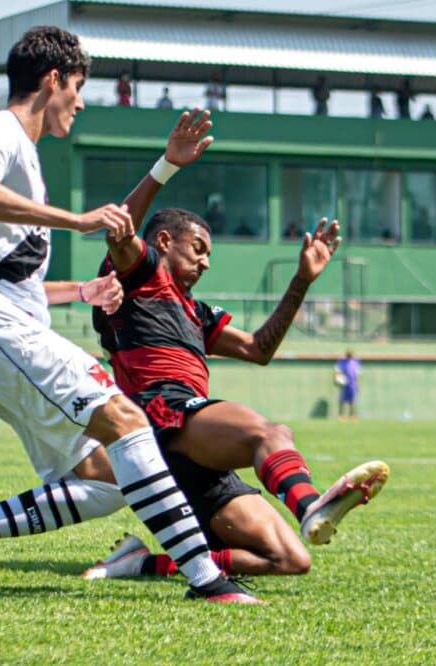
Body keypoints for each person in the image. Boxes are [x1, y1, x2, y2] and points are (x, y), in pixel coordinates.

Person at [0, 26, 258, 604]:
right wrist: (71, 220)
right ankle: (206, 579)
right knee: (131, 422)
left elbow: (12, 273)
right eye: (77, 86)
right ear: (53, 80)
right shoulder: (1, 131)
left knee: (106, 476)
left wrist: (84, 291)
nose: (80, 100)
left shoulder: (26, 154)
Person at [85, 172, 388, 577]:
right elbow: (119, 233)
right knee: (270, 433)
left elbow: (258, 349)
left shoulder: (195, 311)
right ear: (162, 242)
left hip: (193, 442)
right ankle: (310, 504)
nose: (206, 262)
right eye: (198, 249)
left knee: (290, 560)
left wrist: (302, 280)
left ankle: (141, 563)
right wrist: (167, 166)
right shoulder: (139, 278)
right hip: (160, 415)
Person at [335, 350, 361, 420]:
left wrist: (357, 383)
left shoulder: (355, 362)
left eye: (351, 354)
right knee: (341, 400)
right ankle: (341, 415)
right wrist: (338, 379)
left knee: (352, 401)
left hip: (352, 384)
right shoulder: (342, 362)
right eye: (349, 354)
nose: (350, 356)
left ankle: (352, 415)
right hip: (344, 384)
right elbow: (337, 371)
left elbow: (357, 374)